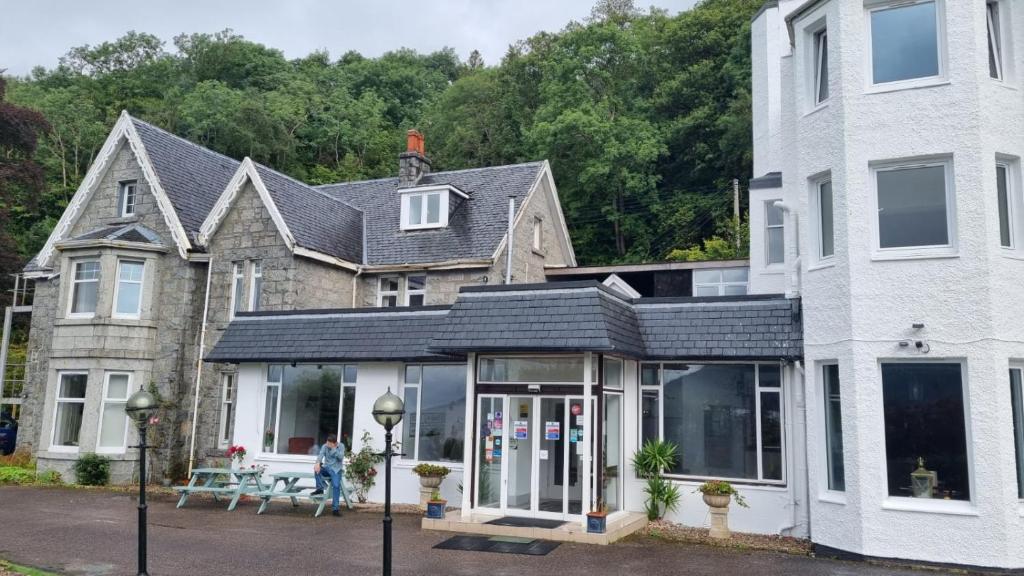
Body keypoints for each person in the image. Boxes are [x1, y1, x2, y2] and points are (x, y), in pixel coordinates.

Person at [311, 433, 346, 516]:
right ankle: (320, 488)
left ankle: (335, 509)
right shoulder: (325, 446)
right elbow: (320, 455)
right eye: (327, 442)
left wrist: (333, 449)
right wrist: (317, 463)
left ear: (335, 443)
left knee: (336, 486)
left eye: (329, 443)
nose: (327, 444)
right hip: (327, 468)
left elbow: (340, 457)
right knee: (317, 469)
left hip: (336, 470)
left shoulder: (341, 446)